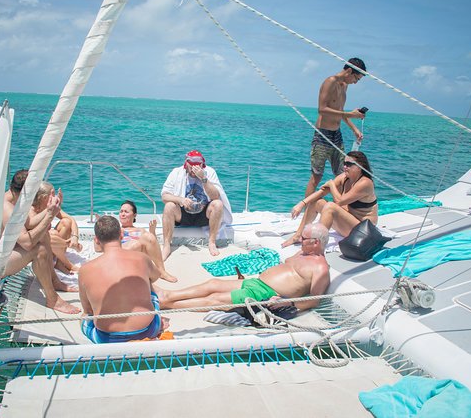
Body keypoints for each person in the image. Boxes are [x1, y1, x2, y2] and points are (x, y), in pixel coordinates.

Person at [283, 58, 368, 247]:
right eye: (357, 78)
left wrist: (352, 126)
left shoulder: (345, 87)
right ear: (350, 71)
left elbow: (339, 111)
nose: (356, 83)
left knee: (344, 175)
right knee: (316, 177)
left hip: (336, 134)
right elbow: (323, 109)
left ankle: (343, 216)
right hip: (322, 135)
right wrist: (350, 115)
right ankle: (302, 224)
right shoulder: (330, 82)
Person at [157, 223, 330, 311]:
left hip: (265, 294)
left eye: (304, 239)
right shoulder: (302, 253)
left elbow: (314, 300)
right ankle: (169, 295)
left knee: (215, 299)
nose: (299, 240)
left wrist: (288, 303)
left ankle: (169, 305)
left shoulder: (320, 269)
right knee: (213, 284)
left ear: (315, 242)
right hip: (256, 282)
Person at [78, 215, 168, 343]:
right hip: (147, 330)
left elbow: (88, 310)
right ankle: (158, 325)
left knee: (83, 318)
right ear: (121, 234)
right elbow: (155, 276)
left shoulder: (84, 270)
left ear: (96, 240)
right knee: (148, 283)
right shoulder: (141, 258)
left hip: (107, 339)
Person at [2, 169, 80, 314]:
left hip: (9, 252)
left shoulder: (15, 200)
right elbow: (27, 243)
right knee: (39, 249)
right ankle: (53, 299)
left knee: (43, 236)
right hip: (0, 263)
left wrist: (51, 209)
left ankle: (54, 281)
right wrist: (50, 215)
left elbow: (30, 222)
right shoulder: (8, 208)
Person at [288, 151, 378, 239]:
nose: (345, 167)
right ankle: (298, 235)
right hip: (349, 224)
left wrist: (331, 185)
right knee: (317, 202)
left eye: (349, 164)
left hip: (364, 231)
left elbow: (340, 202)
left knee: (330, 206)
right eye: (344, 163)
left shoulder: (365, 183)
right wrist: (302, 203)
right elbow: (322, 191)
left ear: (360, 167)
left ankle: (317, 246)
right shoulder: (344, 177)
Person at [161, 150, 233, 259]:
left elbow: (215, 196)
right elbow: (164, 196)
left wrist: (204, 179)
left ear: (202, 164)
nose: (194, 169)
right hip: (183, 213)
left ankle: (212, 242)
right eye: (192, 166)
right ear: (186, 163)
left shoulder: (209, 172)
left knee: (217, 204)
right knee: (169, 206)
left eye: (197, 166)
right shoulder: (176, 172)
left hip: (203, 214)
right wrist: (180, 200)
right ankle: (166, 245)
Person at [119, 200, 178, 283]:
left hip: (136, 257)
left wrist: (152, 232)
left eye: (126, 212)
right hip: (121, 255)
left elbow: (153, 247)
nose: (122, 214)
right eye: (121, 211)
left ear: (134, 215)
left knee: (148, 237)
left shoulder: (141, 231)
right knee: (138, 244)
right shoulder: (116, 229)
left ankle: (162, 272)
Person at [31, 181, 81, 274]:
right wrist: (67, 244)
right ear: (44, 198)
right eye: (53, 195)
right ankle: (68, 264)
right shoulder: (33, 211)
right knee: (52, 234)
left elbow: (71, 219)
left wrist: (75, 238)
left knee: (66, 222)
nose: (55, 198)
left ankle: (60, 263)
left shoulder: (50, 206)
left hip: (53, 245)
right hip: (40, 247)